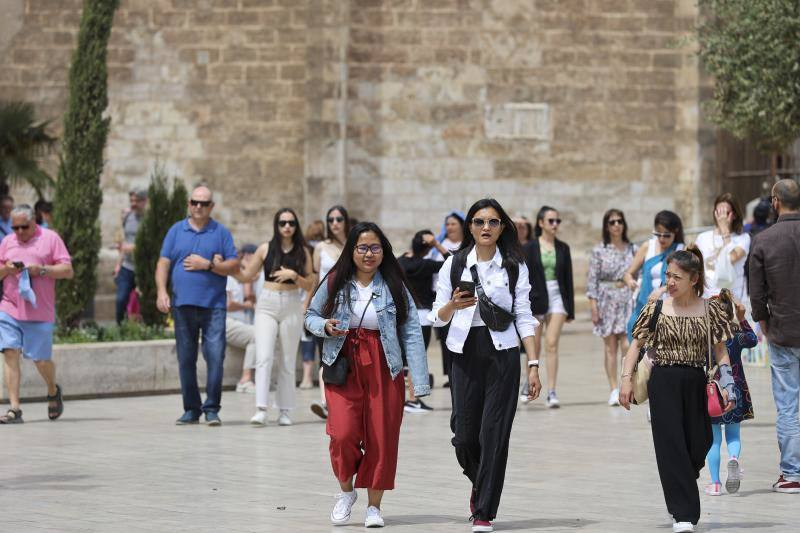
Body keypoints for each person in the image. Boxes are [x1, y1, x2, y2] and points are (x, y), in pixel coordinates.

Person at [305, 222, 430, 528]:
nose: (369, 254)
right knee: (342, 434)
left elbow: (412, 331)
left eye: (375, 247)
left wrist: (419, 377)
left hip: (384, 365)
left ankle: (374, 507)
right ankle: (347, 492)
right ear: (352, 250)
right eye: (362, 247)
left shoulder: (394, 285)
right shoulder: (336, 280)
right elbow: (310, 316)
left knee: (382, 438)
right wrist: (325, 327)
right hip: (344, 362)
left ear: (383, 251)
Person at [432, 199, 541, 533]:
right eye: (479, 221)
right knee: (464, 436)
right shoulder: (453, 265)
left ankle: (484, 511)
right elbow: (436, 315)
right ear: (470, 226)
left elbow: (524, 315)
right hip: (463, 353)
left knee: (494, 434)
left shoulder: (513, 265)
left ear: (502, 227)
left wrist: (534, 364)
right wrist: (453, 304)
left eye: (493, 222)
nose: (485, 228)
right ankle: (481, 482)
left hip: (503, 354)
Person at [620, 246, 736, 533]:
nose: (670, 282)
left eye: (677, 277)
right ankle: (684, 514)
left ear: (694, 279)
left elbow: (721, 350)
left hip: (698, 381)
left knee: (701, 442)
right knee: (670, 447)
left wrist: (729, 385)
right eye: (668, 276)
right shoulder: (657, 307)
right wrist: (625, 380)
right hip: (664, 382)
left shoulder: (711, 309)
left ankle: (683, 475)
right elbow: (636, 344)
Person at [156, 186, 239, 426]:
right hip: (182, 305)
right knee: (186, 358)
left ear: (211, 206)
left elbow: (233, 265)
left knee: (215, 357)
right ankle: (191, 409)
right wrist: (161, 291)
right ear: (188, 204)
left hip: (214, 306)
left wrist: (208, 265)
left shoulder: (220, 232)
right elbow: (163, 263)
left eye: (204, 203)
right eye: (194, 202)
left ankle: (212, 408)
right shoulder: (175, 231)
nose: (198, 207)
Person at [233, 208, 314, 426]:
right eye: (282, 222)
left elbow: (310, 284)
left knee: (288, 360)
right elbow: (246, 275)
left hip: (291, 303)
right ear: (276, 226)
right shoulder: (265, 249)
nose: (287, 226)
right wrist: (226, 267)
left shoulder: (303, 252)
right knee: (264, 356)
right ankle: (261, 409)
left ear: (296, 226)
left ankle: (285, 410)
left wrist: (294, 275)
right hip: (267, 304)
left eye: (291, 223)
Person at [749, 178, 800, 494]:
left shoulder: (764, 240)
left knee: (788, 406)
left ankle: (792, 473)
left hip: (782, 333)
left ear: (776, 202)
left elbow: (757, 294)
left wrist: (763, 323)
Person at [0, 205, 73, 424]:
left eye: (24, 227)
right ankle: (14, 409)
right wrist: (7, 269)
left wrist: (41, 270)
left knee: (40, 361)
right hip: (9, 307)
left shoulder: (50, 238)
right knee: (10, 353)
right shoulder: (7, 241)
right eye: (15, 228)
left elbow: (67, 271)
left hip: (39, 311)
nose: (20, 232)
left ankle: (52, 390)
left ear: (35, 222)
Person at [705, 291, 755, 496]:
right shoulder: (735, 333)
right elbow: (753, 340)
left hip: (712, 394)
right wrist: (742, 318)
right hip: (736, 391)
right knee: (733, 434)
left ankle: (715, 484)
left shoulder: (705, 337)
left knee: (714, 440)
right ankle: (733, 459)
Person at [523, 205, 574, 408]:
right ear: (541, 223)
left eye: (557, 221)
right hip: (536, 298)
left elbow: (568, 278)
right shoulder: (529, 248)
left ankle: (552, 391)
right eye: (551, 221)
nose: (555, 224)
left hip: (557, 296)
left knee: (551, 343)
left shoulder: (563, 248)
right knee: (533, 346)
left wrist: (570, 309)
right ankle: (529, 385)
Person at [586, 208, 637, 406]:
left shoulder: (632, 248)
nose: (616, 225)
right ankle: (613, 388)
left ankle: (628, 384)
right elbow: (592, 280)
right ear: (606, 226)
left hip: (626, 299)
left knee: (627, 344)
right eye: (612, 222)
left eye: (619, 221)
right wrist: (593, 306)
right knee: (610, 348)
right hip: (606, 299)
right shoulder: (600, 250)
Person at [398, 229, 448, 412]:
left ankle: (406, 399)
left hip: (404, 314)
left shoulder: (400, 262)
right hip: (423, 315)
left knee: (406, 358)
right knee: (417, 358)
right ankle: (413, 399)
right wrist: (437, 244)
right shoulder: (426, 265)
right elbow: (451, 261)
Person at [309, 205, 351, 419]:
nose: (334, 223)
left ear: (345, 221)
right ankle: (327, 403)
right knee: (324, 355)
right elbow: (314, 280)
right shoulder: (320, 248)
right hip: (326, 308)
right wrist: (308, 309)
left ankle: (341, 401)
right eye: (331, 219)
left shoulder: (354, 246)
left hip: (350, 308)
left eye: (338, 219)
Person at [624, 210, 685, 340]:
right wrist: (630, 281)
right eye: (658, 234)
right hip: (645, 303)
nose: (662, 239)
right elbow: (629, 273)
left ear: (675, 231)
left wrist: (662, 290)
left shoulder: (680, 249)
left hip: (669, 306)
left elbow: (682, 279)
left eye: (667, 235)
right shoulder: (648, 246)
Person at [429, 211, 465, 387]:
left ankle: (461, 371)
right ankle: (450, 374)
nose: (450, 227)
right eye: (447, 224)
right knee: (444, 337)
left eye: (453, 224)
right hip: (440, 296)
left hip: (460, 297)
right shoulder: (440, 244)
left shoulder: (467, 245)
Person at [694, 193, 750, 300]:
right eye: (718, 212)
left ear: (734, 215)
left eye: (726, 213)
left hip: (733, 299)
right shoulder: (703, 238)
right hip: (707, 298)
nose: (722, 216)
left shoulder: (743, 238)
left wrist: (724, 229)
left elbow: (732, 258)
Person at [226, 244, 261, 394]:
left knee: (263, 334)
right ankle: (245, 379)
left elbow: (250, 298)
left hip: (240, 323)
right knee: (257, 335)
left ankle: (259, 378)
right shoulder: (227, 277)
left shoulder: (245, 279)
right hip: (226, 322)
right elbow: (227, 305)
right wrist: (246, 306)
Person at [114, 189, 148, 325]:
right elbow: (124, 242)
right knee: (121, 299)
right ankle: (120, 329)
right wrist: (118, 264)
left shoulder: (149, 219)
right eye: (132, 200)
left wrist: (134, 247)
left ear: (145, 201)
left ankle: (147, 328)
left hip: (144, 267)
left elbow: (152, 244)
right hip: (127, 267)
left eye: (137, 201)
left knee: (144, 302)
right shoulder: (127, 217)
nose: (134, 204)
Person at [298, 220, 324, 389]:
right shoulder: (325, 247)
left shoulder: (303, 249)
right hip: (322, 299)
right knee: (321, 339)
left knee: (306, 337)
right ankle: (321, 378)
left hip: (305, 298)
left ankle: (307, 378)